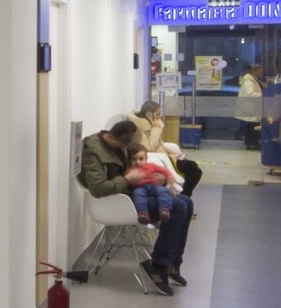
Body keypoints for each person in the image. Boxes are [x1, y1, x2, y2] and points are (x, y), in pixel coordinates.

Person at [79, 118, 194, 294]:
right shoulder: (93, 151)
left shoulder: (117, 146)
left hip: (133, 192)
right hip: (119, 201)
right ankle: (158, 265)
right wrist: (126, 179)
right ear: (118, 141)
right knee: (178, 206)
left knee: (187, 202)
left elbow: (136, 169)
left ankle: (172, 263)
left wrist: (157, 178)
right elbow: (98, 188)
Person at [126, 99, 203, 196]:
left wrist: (176, 154)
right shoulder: (139, 129)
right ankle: (185, 195)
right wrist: (157, 128)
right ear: (149, 114)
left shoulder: (150, 125)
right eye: (157, 114)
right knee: (194, 169)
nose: (159, 118)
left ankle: (185, 195)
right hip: (159, 159)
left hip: (165, 156)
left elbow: (160, 144)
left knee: (194, 168)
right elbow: (148, 148)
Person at [237, 63, 264, 150]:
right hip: (251, 106)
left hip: (252, 106)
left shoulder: (253, 80)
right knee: (253, 126)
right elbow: (250, 93)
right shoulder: (249, 81)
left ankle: (251, 143)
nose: (261, 73)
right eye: (260, 71)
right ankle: (252, 144)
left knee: (252, 126)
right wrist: (262, 95)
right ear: (255, 71)